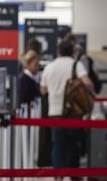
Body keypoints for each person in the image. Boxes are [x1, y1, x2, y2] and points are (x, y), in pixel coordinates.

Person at [40, 39, 94, 168]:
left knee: (57, 144)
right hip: (73, 111)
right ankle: (73, 174)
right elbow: (88, 83)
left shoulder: (49, 67)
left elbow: (43, 90)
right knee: (73, 143)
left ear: (58, 52)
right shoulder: (76, 65)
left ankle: (58, 174)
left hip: (54, 111)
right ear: (72, 52)